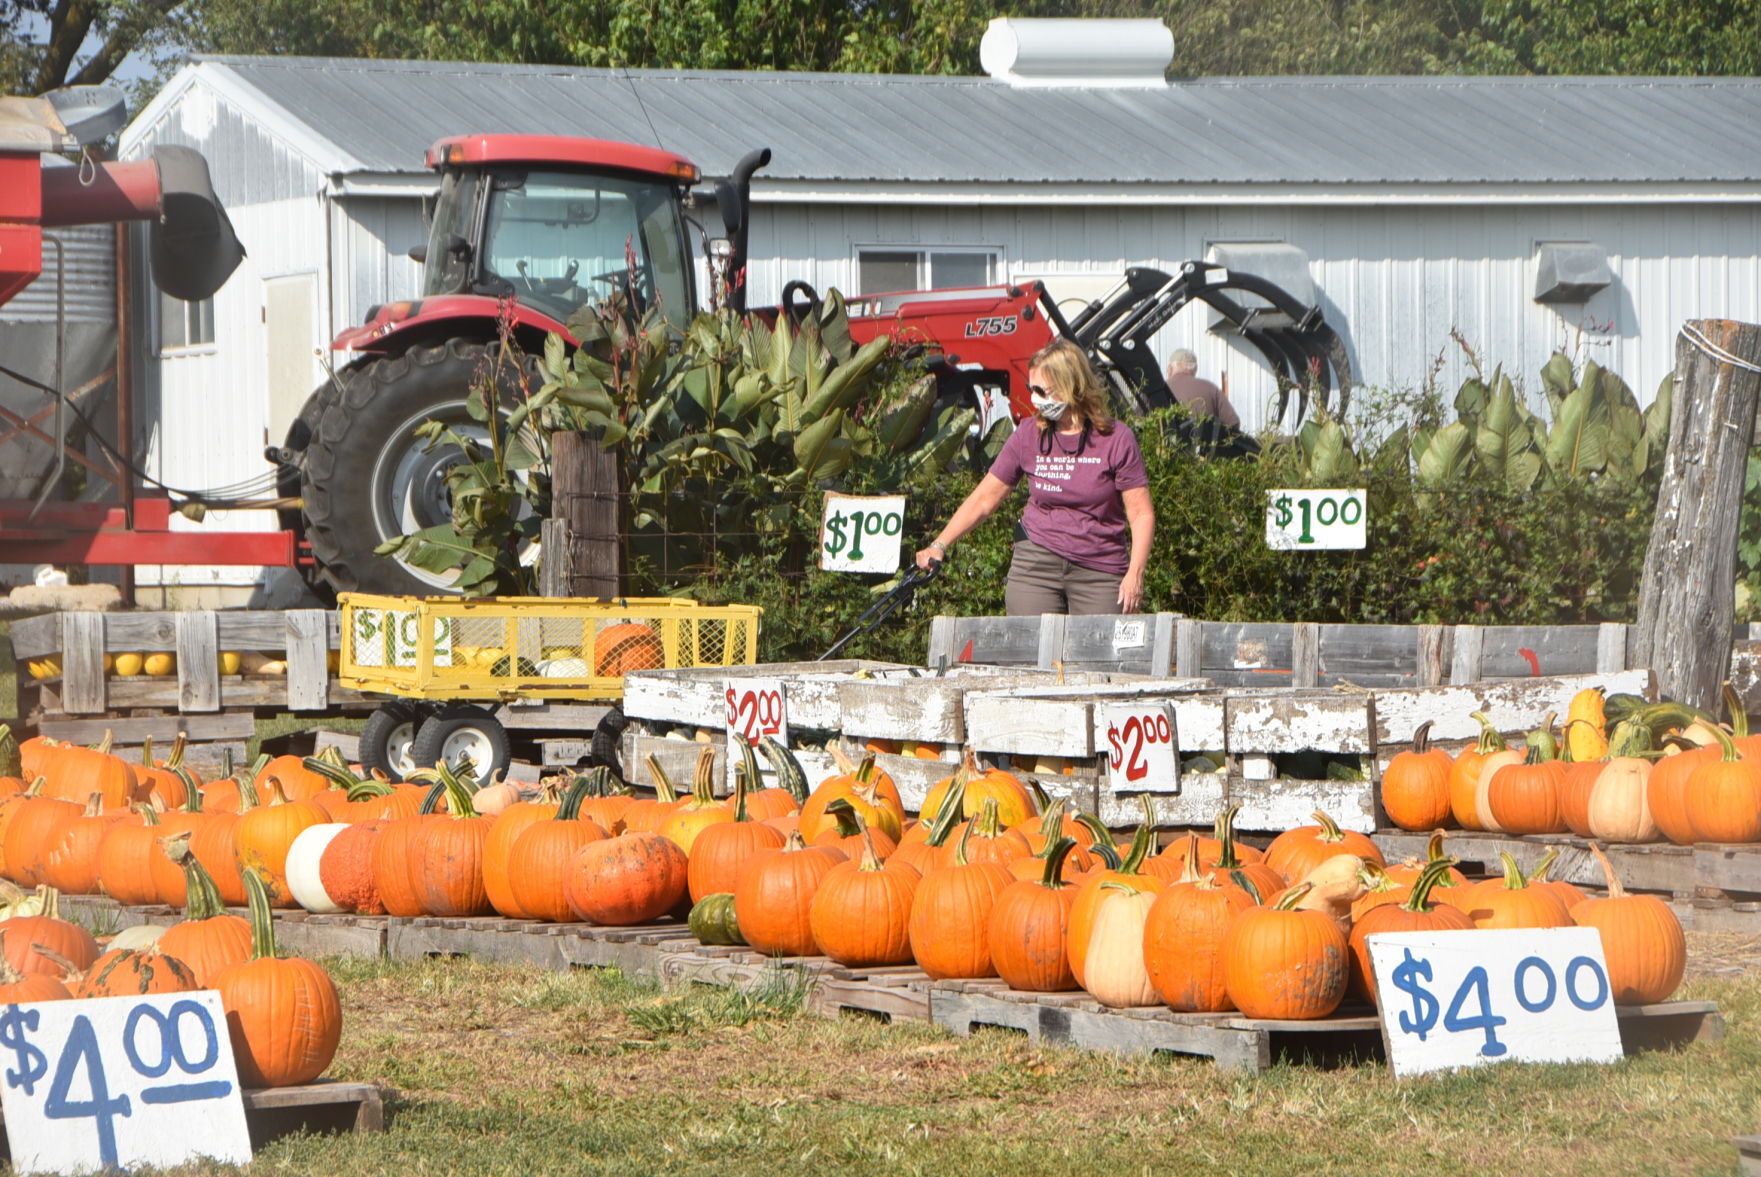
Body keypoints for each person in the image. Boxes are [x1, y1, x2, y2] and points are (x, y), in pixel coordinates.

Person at [915, 339, 1154, 615]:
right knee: (1028, 650)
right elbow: (985, 498)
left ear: (1071, 387)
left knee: (1098, 653)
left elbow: (1140, 513)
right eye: (1032, 389)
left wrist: (1135, 573)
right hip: (1037, 563)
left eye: (1042, 390)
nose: (1034, 398)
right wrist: (939, 544)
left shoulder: (1115, 438)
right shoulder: (1028, 434)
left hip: (1099, 567)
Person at [1164, 347, 1240, 428]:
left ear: (1170, 369)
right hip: (1205, 440)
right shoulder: (1211, 388)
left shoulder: (1161, 389)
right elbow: (1233, 422)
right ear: (1194, 370)